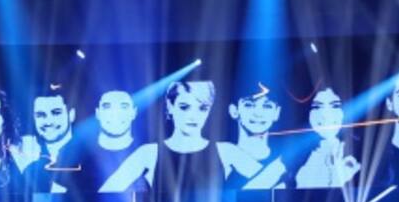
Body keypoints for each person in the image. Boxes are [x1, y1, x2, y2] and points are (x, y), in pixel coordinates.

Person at [100, 81, 283, 192]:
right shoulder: (148, 153)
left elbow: (277, 181)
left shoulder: (226, 151)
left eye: (202, 108)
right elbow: (108, 189)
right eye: (185, 107)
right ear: (170, 107)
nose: (193, 116)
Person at [294, 88, 360, 188]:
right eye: (317, 107)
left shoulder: (357, 152)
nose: (325, 115)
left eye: (335, 106)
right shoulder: (295, 156)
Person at [16, 93, 78, 193]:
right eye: (40, 115)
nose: (48, 122)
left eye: (56, 113)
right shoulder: (30, 169)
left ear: (71, 115)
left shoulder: (89, 156)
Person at [228, 87, 286, 188]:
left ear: (277, 112)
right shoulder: (222, 153)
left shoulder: (285, 160)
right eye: (249, 105)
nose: (258, 113)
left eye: (267, 106)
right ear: (234, 110)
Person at [87, 90, 142, 193]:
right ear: (98, 113)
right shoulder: (82, 156)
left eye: (124, 107)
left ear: (133, 112)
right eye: (107, 107)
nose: (115, 114)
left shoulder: (148, 155)